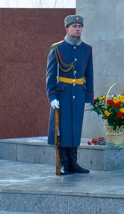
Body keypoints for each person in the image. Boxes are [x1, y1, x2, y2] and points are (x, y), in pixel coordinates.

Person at [46, 14, 94, 175]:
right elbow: (50, 75)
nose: (77, 29)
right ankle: (64, 162)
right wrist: (52, 97)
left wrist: (89, 97)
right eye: (74, 26)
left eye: (80, 26)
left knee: (75, 128)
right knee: (63, 129)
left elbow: (89, 74)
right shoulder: (57, 48)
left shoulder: (87, 49)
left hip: (79, 94)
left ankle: (74, 163)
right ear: (67, 29)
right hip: (63, 94)